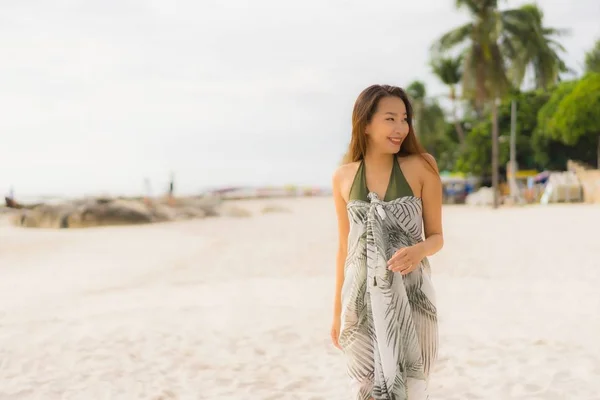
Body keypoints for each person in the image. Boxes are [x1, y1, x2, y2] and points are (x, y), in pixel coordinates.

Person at [330, 84, 444, 399]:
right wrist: (337, 312)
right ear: (365, 124)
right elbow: (345, 250)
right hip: (359, 302)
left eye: (404, 119)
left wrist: (418, 250)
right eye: (390, 119)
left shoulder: (423, 167)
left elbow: (437, 237)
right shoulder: (342, 177)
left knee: (412, 388)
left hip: (412, 297)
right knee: (363, 390)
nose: (400, 128)